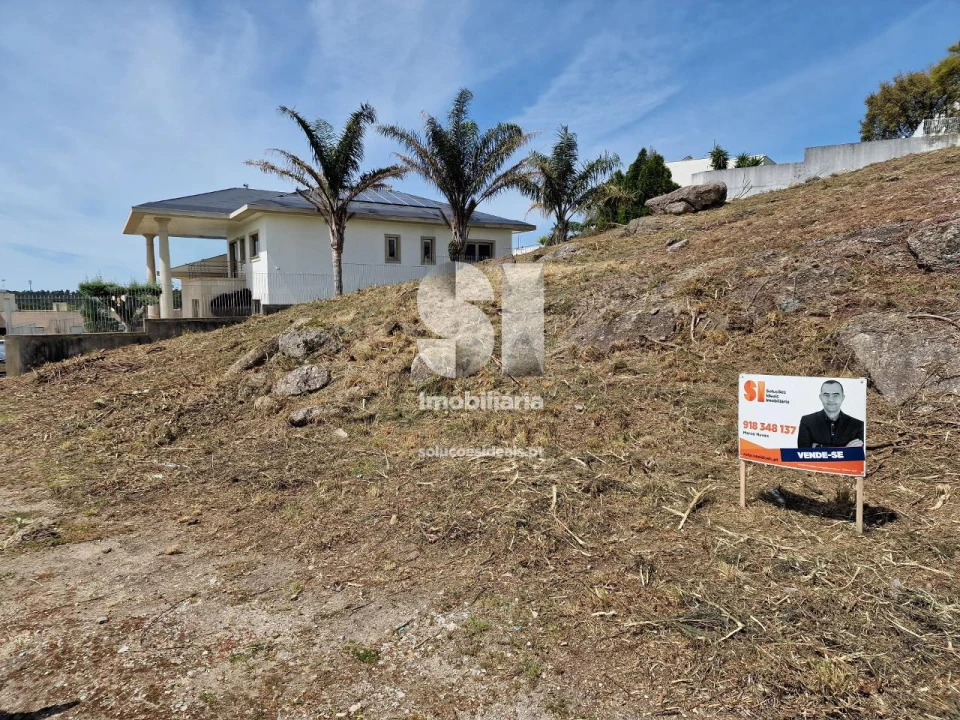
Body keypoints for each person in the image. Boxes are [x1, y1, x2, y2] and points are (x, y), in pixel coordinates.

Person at [797, 380, 864, 448]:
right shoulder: (807, 421)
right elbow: (802, 451)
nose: (831, 399)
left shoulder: (858, 425)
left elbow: (858, 452)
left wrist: (818, 447)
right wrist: (845, 449)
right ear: (820, 397)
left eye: (836, 395)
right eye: (826, 395)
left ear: (843, 397)